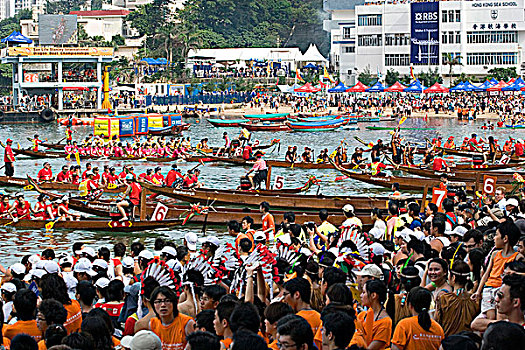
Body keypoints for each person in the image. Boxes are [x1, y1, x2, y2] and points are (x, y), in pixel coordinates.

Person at [472, 221, 523, 320]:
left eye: (496, 235)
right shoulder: (495, 254)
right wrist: (478, 291)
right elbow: (486, 274)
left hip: (502, 290)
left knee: (500, 317)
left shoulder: (518, 257)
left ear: (505, 238)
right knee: (490, 316)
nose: (494, 238)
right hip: (488, 289)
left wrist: (515, 273)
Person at [350, 280, 392, 349]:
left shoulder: (385, 322)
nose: (360, 295)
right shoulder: (362, 315)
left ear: (373, 295)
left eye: (364, 292)